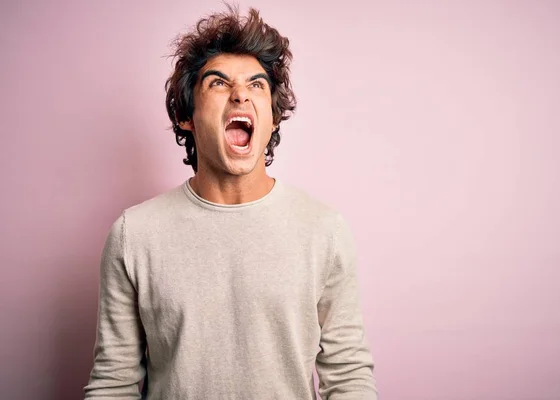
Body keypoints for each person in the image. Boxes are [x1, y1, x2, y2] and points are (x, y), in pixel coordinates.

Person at [84, 5, 377, 399]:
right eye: (218, 84)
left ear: (272, 117)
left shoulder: (323, 230)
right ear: (186, 116)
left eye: (257, 85)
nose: (241, 93)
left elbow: (348, 377)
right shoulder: (133, 235)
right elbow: (112, 385)